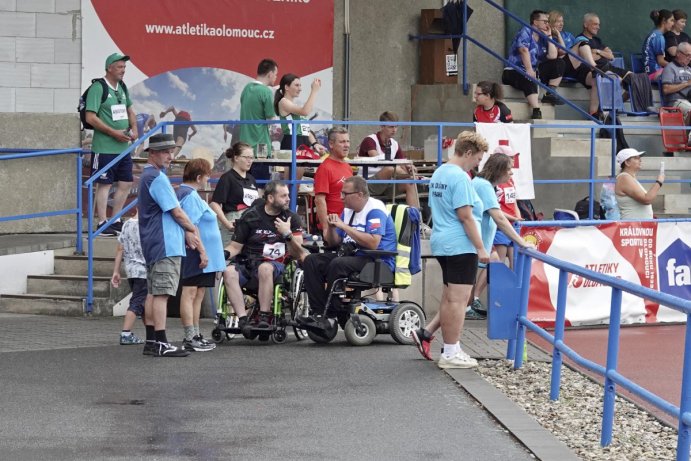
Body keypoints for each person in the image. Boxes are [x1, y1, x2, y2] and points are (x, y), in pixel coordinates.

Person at [413, 151, 534, 356]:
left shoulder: (479, 184)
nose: (512, 174)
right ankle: (449, 347)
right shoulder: (483, 186)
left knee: (457, 298)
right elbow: (495, 218)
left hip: (464, 246)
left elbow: (491, 210)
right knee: (459, 300)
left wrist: (509, 217)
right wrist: (521, 242)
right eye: (509, 169)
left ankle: (429, 333)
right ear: (499, 170)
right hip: (468, 247)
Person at [418, 131, 490, 369]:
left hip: (443, 241)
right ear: (468, 153)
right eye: (478, 159)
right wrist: (481, 248)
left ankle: (451, 348)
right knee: (458, 301)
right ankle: (451, 351)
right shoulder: (460, 178)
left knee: (450, 298)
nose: (477, 164)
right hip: (460, 244)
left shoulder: (440, 172)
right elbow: (466, 216)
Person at [298, 176, 397, 333]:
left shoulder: (375, 210)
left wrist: (344, 226)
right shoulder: (349, 211)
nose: (341, 197)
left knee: (338, 264)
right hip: (353, 255)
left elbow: (373, 243)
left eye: (345, 194)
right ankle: (318, 313)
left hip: (376, 259)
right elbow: (334, 242)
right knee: (312, 261)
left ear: (359, 194)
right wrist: (330, 228)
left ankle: (330, 314)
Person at [138, 133, 201, 357]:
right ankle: (162, 342)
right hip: (165, 242)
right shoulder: (157, 178)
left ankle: (151, 341)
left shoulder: (147, 176)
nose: (170, 156)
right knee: (162, 293)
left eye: (171, 151)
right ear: (152, 153)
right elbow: (175, 211)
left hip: (153, 241)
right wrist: (192, 230)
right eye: (165, 152)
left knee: (153, 293)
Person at [223, 180, 304, 331]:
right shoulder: (251, 216)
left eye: (288, 195)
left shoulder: (291, 218)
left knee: (265, 268)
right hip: (249, 262)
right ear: (271, 198)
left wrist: (287, 234)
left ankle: (264, 315)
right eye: (283, 196)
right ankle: (242, 318)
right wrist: (222, 256)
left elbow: (298, 253)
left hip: (275, 266)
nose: (288, 199)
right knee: (228, 271)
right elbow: (235, 247)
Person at [176, 158, 226, 352]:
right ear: (199, 177)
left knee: (198, 292)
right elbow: (191, 225)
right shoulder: (189, 196)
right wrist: (202, 251)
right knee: (190, 292)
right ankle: (190, 336)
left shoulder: (190, 194)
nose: (208, 179)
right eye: (207, 176)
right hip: (196, 253)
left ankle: (195, 333)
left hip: (202, 254)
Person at [85, 53, 137, 236]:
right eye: (119, 67)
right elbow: (90, 117)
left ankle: (115, 219)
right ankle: (102, 223)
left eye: (124, 67)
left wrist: (134, 128)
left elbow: (130, 110)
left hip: (123, 149)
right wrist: (113, 132)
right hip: (104, 147)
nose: (123, 70)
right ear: (109, 68)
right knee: (104, 184)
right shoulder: (98, 87)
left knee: (126, 182)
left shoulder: (122, 87)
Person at [501, 9, 565, 120]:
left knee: (559, 63)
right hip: (513, 71)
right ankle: (536, 109)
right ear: (535, 22)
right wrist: (529, 70)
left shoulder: (543, 36)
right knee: (529, 77)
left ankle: (550, 92)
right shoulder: (525, 31)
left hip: (534, 69)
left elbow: (553, 56)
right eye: (545, 21)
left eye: (548, 21)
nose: (547, 24)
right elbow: (523, 50)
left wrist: (549, 36)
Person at [571, 13, 633, 118]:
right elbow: (589, 57)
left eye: (598, 24)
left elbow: (611, 56)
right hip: (591, 70)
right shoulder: (580, 40)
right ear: (586, 25)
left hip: (608, 67)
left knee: (633, 79)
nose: (598, 27)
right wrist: (601, 54)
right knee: (614, 79)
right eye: (595, 24)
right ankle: (598, 112)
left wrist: (598, 51)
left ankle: (613, 107)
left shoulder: (597, 40)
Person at [358, 111, 419, 208]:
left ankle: (416, 217)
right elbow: (380, 161)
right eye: (391, 127)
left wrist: (409, 168)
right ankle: (415, 178)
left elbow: (403, 163)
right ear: (381, 126)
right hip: (368, 183)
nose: (394, 130)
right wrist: (408, 174)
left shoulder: (394, 144)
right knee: (389, 168)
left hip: (386, 183)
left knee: (410, 183)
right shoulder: (369, 140)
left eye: (396, 127)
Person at [209, 142, 260, 244]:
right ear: (236, 158)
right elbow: (214, 204)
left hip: (251, 222)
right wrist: (227, 224)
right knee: (230, 256)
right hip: (234, 221)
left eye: (251, 157)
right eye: (246, 157)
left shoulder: (251, 179)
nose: (249, 161)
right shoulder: (227, 178)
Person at [239, 58, 279, 183]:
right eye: (276, 74)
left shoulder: (246, 89)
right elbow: (272, 120)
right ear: (270, 73)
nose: (276, 77)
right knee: (260, 187)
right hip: (260, 147)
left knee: (245, 186)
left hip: (244, 146)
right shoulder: (266, 92)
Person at [110, 210, 146, 345]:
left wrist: (116, 271)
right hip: (144, 270)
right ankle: (126, 333)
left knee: (143, 302)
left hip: (130, 269)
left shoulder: (126, 225)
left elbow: (120, 249)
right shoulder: (146, 224)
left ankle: (151, 332)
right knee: (137, 301)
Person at [313, 127, 354, 233]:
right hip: (333, 226)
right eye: (342, 142)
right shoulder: (325, 168)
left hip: (348, 224)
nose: (347, 145)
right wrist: (326, 228)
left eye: (348, 141)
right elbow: (319, 200)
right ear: (331, 144)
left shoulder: (347, 166)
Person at [274, 73, 326, 153]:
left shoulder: (295, 105)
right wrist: (314, 91)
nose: (300, 89)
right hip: (291, 142)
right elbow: (305, 111)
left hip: (303, 142)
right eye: (297, 85)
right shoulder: (283, 102)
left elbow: (305, 128)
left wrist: (314, 143)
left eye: (300, 85)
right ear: (286, 87)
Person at [614, 148, 664, 219]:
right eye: (636, 158)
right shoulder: (624, 178)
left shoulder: (629, 178)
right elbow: (647, 199)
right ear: (627, 162)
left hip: (638, 227)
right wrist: (659, 182)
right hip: (632, 227)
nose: (640, 160)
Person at [661, 41, 691, 124]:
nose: (690, 58)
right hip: (676, 102)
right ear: (678, 53)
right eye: (687, 55)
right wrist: (686, 83)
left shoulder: (689, 69)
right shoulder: (670, 68)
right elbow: (666, 89)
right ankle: (688, 135)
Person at [644, 9, 675, 81]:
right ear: (664, 21)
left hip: (649, 72)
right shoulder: (659, 37)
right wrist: (676, 67)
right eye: (671, 20)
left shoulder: (653, 33)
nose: (673, 24)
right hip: (654, 73)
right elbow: (660, 61)